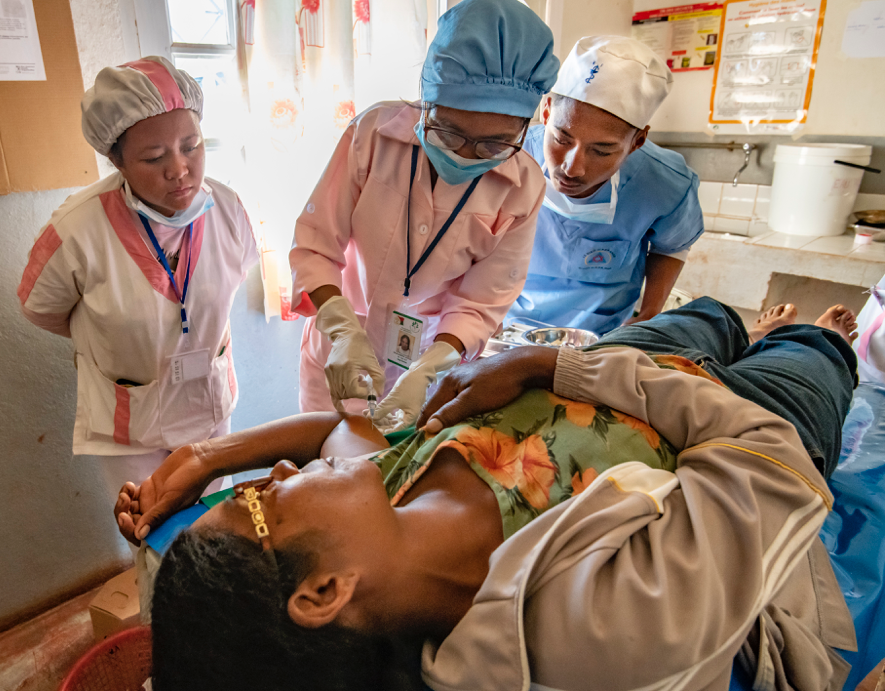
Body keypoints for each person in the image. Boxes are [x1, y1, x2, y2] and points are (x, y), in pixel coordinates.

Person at [116, 299, 858, 691]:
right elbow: (771, 461)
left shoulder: (385, 500)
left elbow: (332, 438)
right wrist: (555, 366)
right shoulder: (590, 628)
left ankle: (742, 325)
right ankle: (808, 338)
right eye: (257, 505)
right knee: (819, 351)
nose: (272, 477)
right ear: (324, 592)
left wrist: (207, 453)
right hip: (740, 409)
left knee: (712, 315)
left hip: (619, 361)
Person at [289, 0, 560, 430]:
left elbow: (480, 302)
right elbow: (315, 246)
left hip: (426, 361)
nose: (465, 155)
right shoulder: (372, 137)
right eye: (448, 132)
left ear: (530, 123)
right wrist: (342, 332)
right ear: (428, 99)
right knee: (319, 467)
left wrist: (429, 369)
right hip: (339, 352)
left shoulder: (522, 189)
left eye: (494, 144)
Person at [18, 57, 258, 499]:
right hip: (129, 422)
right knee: (152, 537)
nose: (179, 169)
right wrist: (115, 339)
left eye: (192, 146)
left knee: (212, 527)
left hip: (207, 403)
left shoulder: (228, 209)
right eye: (154, 157)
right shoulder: (76, 229)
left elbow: (231, 280)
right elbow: (42, 309)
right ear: (117, 161)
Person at [509, 35, 705, 335]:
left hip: (604, 334)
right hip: (507, 323)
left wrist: (650, 311)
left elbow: (672, 245)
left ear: (637, 142)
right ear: (546, 111)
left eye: (601, 150)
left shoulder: (664, 185)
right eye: (561, 138)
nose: (572, 168)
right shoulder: (508, 160)